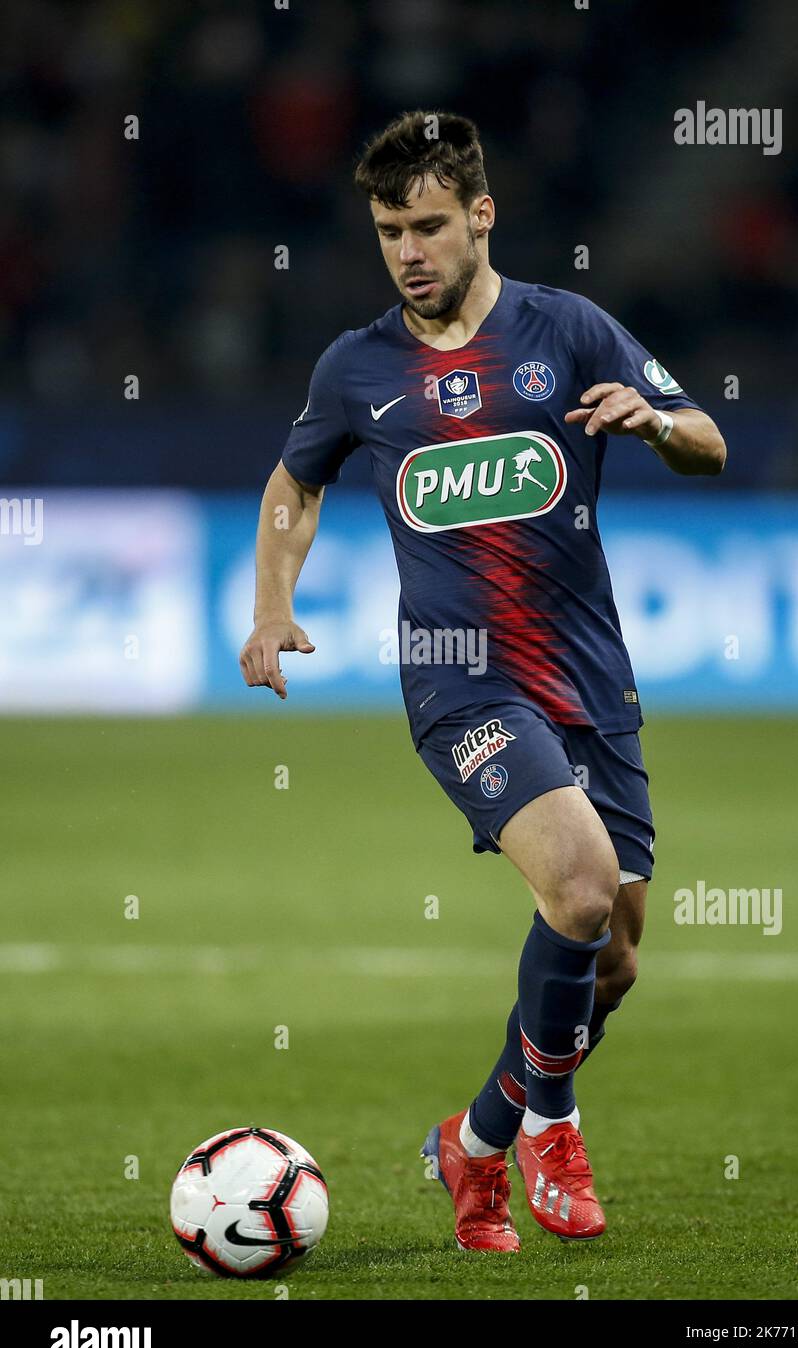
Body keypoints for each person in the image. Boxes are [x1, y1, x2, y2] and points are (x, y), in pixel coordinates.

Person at [240, 111, 726, 1252]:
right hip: (458, 684)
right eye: (386, 231)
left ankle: (476, 1134)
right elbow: (291, 486)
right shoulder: (356, 366)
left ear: (480, 216)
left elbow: (707, 435)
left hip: (589, 679)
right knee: (577, 884)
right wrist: (271, 604)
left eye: (426, 225)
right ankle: (550, 1125)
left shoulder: (569, 328)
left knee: (610, 956)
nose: (407, 250)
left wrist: (652, 423)